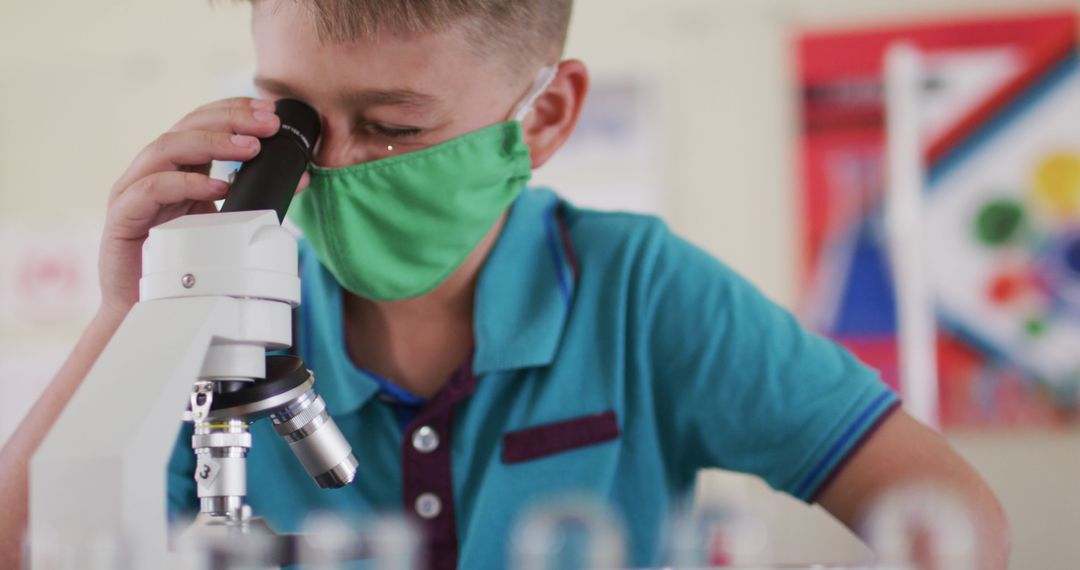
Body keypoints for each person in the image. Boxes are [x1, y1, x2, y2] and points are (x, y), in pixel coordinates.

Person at [0, 1, 1009, 568]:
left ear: (544, 116)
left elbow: (951, 515)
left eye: (395, 127)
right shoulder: (233, 311)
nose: (338, 165)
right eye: (297, 120)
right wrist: (132, 313)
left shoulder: (640, 294)